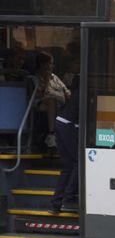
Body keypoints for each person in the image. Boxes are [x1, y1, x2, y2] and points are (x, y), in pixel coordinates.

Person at [50, 76, 80, 214]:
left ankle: (56, 203)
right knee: (78, 162)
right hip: (68, 125)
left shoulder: (76, 93)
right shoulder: (84, 93)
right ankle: (68, 199)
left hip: (60, 122)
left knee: (68, 166)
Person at [35, 52, 70, 149]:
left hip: (59, 103)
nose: (52, 66)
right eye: (50, 63)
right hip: (42, 103)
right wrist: (46, 81)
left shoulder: (54, 77)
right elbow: (41, 94)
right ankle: (51, 134)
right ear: (42, 64)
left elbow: (65, 90)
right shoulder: (36, 78)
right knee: (51, 101)